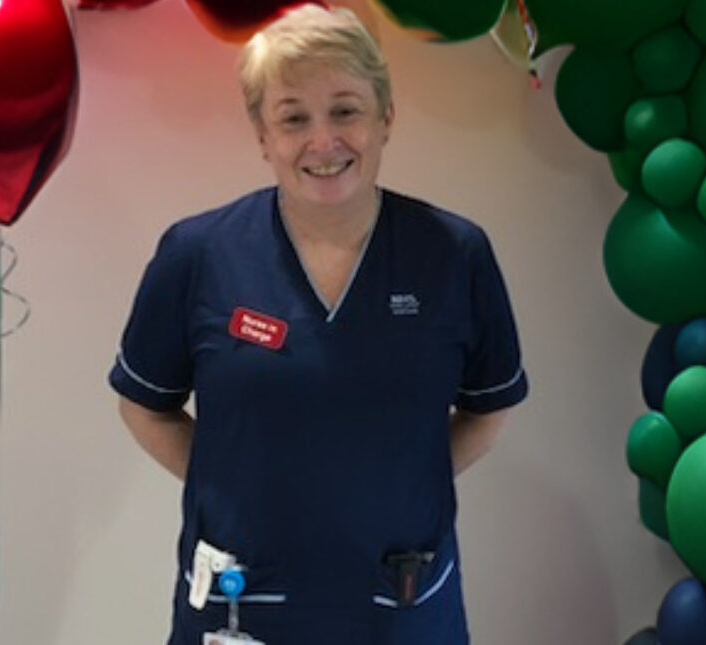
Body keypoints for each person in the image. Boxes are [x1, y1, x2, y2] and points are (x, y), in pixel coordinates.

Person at [108, 5, 528, 644]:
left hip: (402, 604)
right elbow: (144, 406)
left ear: (386, 117)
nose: (323, 141)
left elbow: (489, 409)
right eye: (293, 117)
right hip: (243, 604)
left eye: (346, 110)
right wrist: (237, 481)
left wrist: (396, 480)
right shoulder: (198, 256)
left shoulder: (453, 254)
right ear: (262, 135)